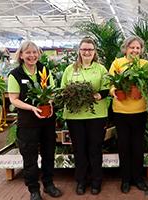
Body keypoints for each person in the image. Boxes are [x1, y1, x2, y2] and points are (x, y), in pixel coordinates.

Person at [8, 41, 62, 200]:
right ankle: (33, 190)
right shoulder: (15, 74)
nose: (32, 56)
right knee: (30, 157)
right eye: (28, 53)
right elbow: (13, 99)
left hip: (47, 121)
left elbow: (51, 91)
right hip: (28, 123)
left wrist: (50, 101)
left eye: (35, 52)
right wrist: (32, 108)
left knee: (48, 153)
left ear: (39, 54)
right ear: (21, 55)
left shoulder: (44, 69)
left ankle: (49, 184)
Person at [61, 37, 109, 195]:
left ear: (94, 52)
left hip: (96, 116)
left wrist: (97, 96)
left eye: (90, 49)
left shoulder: (101, 69)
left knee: (95, 149)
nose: (87, 52)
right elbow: (63, 90)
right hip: (74, 117)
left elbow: (106, 89)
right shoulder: (70, 69)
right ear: (79, 51)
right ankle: (81, 181)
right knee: (79, 150)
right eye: (84, 49)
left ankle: (96, 181)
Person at [109, 36, 148, 193]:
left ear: (141, 50)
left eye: (138, 48)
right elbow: (110, 82)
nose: (134, 50)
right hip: (121, 111)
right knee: (124, 146)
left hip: (139, 111)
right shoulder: (117, 63)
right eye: (132, 47)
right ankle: (125, 179)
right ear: (125, 48)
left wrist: (142, 90)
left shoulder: (145, 65)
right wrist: (114, 92)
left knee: (138, 146)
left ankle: (138, 178)